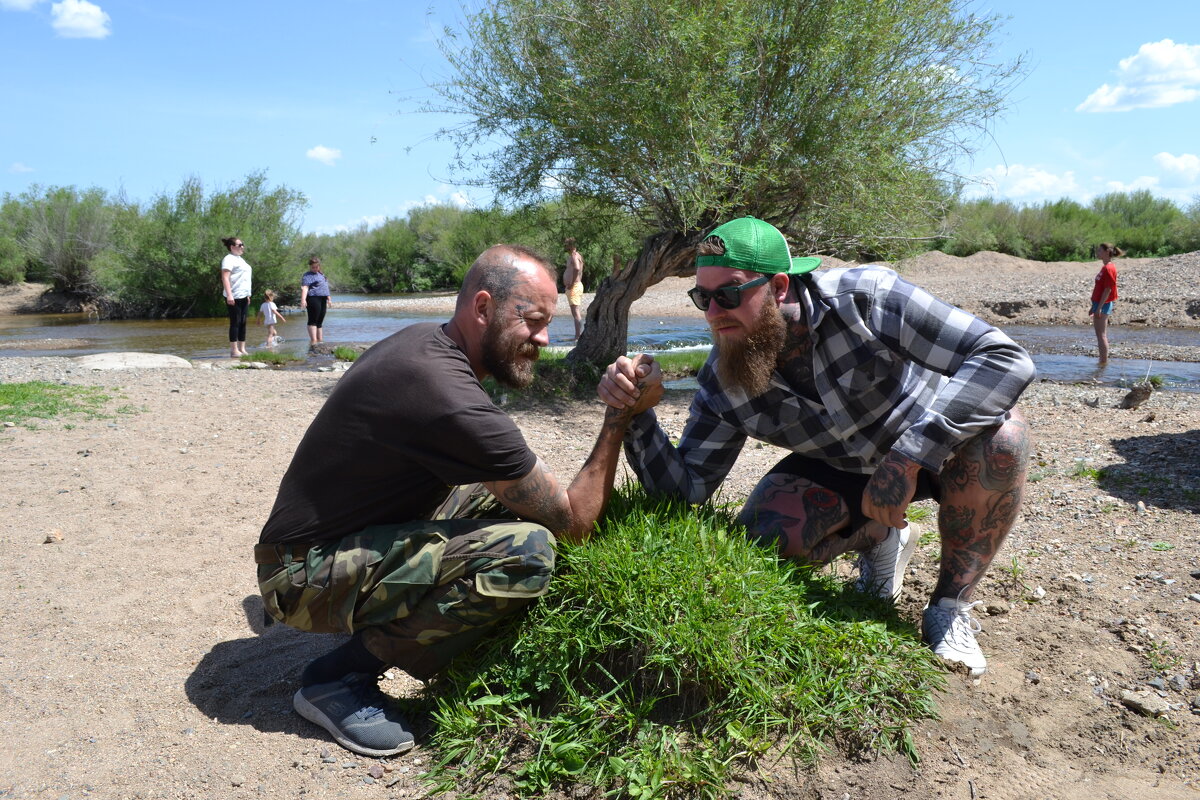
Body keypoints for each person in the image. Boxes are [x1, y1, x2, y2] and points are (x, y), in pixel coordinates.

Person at [256, 244, 662, 758]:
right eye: (532, 321)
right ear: (483, 308)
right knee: (528, 549)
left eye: (548, 324)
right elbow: (575, 522)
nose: (543, 340)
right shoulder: (445, 394)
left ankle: (380, 612)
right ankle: (336, 677)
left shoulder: (427, 344)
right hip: (298, 577)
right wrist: (619, 415)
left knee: (497, 492)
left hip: (318, 549)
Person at [599, 216, 1036, 676]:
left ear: (780, 287)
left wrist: (910, 454)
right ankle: (884, 538)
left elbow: (1003, 357)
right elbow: (684, 490)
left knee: (1003, 439)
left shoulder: (869, 298)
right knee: (766, 536)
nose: (712, 313)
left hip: (936, 448)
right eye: (701, 297)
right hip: (843, 467)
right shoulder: (722, 380)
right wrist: (634, 413)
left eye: (728, 294)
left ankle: (949, 605)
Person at [1090, 243, 1124, 365]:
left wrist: (1099, 307)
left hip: (1103, 304)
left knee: (1101, 335)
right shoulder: (1105, 267)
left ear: (1106, 252)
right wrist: (1093, 307)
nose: (1097, 253)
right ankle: (1102, 360)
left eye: (1099, 251)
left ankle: (1103, 362)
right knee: (1099, 334)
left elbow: (1108, 289)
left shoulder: (1109, 268)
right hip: (1098, 304)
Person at [219, 237, 252, 358]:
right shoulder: (228, 259)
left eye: (243, 244)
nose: (243, 246)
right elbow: (225, 278)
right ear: (232, 247)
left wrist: (248, 294)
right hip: (234, 295)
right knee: (235, 322)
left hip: (244, 295)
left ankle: (242, 348)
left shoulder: (241, 260)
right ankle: (234, 350)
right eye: (240, 245)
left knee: (243, 322)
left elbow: (245, 279)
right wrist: (229, 295)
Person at [300, 256, 333, 346]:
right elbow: (305, 288)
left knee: (320, 321)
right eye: (313, 267)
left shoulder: (321, 275)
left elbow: (325, 287)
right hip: (313, 298)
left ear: (319, 266)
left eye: (316, 267)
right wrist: (303, 300)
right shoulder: (307, 275)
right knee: (313, 320)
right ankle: (314, 341)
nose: (315, 269)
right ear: (310, 267)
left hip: (323, 298)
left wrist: (329, 298)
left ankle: (320, 340)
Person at [563, 238, 584, 339]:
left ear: (571, 245)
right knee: (574, 312)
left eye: (566, 244)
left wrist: (572, 283)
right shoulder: (574, 256)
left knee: (576, 312)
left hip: (574, 287)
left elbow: (577, 268)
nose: (565, 246)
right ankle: (577, 336)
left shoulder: (574, 256)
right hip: (573, 286)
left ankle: (578, 337)